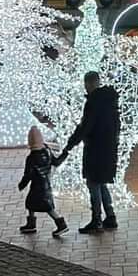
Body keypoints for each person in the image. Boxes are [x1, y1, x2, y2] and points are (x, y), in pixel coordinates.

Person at [55, 70, 121, 233]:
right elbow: (117, 125)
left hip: (95, 149)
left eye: (87, 84)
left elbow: (85, 127)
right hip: (108, 148)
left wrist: (69, 146)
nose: (86, 87)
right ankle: (110, 217)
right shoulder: (110, 100)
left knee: (93, 183)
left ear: (90, 84)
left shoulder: (93, 102)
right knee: (101, 182)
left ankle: (97, 220)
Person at [18, 126, 69, 236]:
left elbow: (28, 174)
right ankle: (31, 224)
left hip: (37, 186)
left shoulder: (31, 158)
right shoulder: (47, 152)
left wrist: (22, 184)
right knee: (33, 204)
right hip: (46, 184)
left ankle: (61, 224)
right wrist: (65, 154)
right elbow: (56, 162)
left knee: (46, 207)